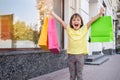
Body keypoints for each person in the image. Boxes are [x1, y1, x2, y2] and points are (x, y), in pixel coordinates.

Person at [50, 7, 104, 80]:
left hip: (80, 56)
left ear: (81, 23)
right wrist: (52, 13)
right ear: (71, 23)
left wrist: (100, 14)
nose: (76, 21)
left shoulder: (84, 29)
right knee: (72, 75)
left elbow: (92, 20)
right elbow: (61, 21)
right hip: (71, 56)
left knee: (79, 75)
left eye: (78, 20)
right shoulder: (69, 29)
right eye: (74, 20)